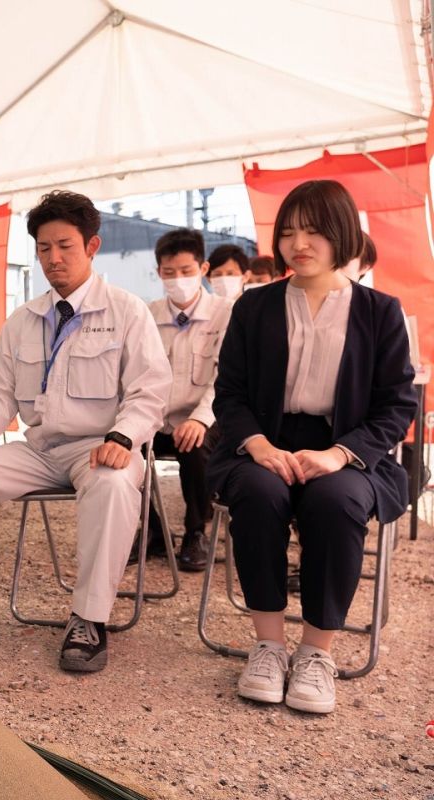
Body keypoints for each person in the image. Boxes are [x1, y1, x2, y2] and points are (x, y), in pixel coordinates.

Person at [0, 190, 171, 673]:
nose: (53, 258)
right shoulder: (23, 320)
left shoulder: (125, 311)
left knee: (115, 485)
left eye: (65, 246)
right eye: (44, 248)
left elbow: (150, 390)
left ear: (92, 246)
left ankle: (88, 619)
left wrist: (123, 437)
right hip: (39, 449)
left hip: (101, 448)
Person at [208, 179, 416, 714]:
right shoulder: (254, 308)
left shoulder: (379, 311)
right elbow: (229, 393)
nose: (299, 243)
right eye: (290, 232)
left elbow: (396, 405)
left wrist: (339, 455)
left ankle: (316, 654)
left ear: (342, 235)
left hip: (346, 447)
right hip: (263, 441)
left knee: (336, 501)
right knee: (258, 494)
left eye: (315, 231)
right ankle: (269, 647)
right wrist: (255, 444)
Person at [140, 228, 232, 571]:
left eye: (186, 271)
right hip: (157, 416)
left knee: (195, 445)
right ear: (158, 272)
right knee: (119, 446)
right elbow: (138, 372)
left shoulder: (227, 312)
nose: (177, 280)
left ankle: (196, 530)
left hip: (205, 416)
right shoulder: (147, 314)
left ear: (203, 269)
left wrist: (199, 418)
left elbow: (225, 377)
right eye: (169, 273)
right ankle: (151, 529)